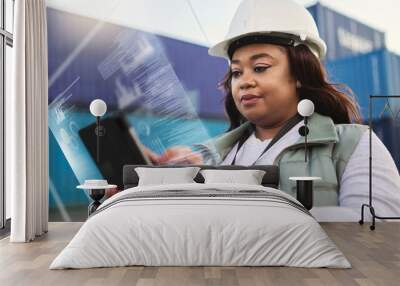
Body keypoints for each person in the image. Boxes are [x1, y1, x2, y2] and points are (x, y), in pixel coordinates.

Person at [144, 0, 400, 216]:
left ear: (301, 72)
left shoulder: (355, 145)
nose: (244, 82)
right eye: (236, 72)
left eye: (260, 68)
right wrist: (169, 185)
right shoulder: (209, 157)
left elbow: (375, 239)